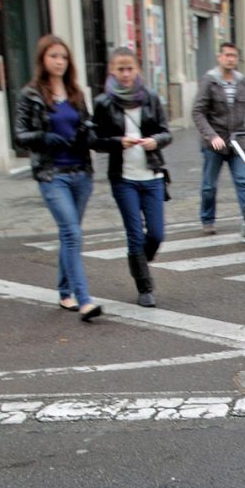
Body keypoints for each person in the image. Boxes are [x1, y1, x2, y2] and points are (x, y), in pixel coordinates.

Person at [13, 35, 101, 322]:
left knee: (69, 234)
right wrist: (44, 137)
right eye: (53, 56)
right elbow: (19, 135)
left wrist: (87, 133)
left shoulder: (76, 92)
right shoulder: (31, 94)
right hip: (53, 175)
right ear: (43, 60)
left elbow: (88, 125)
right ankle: (84, 300)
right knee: (73, 234)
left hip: (81, 174)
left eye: (63, 56)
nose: (59, 61)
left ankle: (64, 291)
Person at [92, 47, 171, 308]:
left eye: (129, 68)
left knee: (157, 234)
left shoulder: (150, 97)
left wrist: (155, 141)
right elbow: (95, 141)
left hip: (152, 175)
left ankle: (139, 261)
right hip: (123, 177)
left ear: (138, 70)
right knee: (135, 233)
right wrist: (118, 142)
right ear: (112, 71)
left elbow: (165, 132)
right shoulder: (104, 103)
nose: (125, 74)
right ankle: (144, 286)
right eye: (120, 69)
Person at [192, 42, 245, 241]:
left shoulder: (242, 81)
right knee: (209, 185)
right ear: (220, 57)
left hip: (237, 142)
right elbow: (198, 112)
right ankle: (208, 220)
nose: (230, 59)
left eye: (234, 55)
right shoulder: (210, 80)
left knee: (243, 181)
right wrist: (211, 135)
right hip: (214, 143)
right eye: (227, 55)